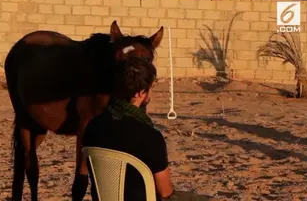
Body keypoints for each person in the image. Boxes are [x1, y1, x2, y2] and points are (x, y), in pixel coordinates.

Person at [79, 59, 209, 201]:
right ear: (140, 93)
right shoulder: (150, 137)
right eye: (151, 88)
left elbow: (84, 170)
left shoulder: (93, 126)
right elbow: (165, 192)